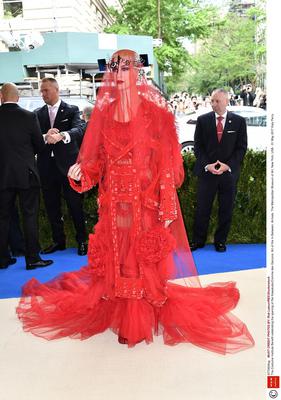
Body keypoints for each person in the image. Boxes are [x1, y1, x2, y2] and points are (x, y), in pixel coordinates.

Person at [17, 51, 254, 354]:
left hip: (144, 201)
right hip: (113, 201)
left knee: (140, 258)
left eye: (126, 68)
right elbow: (96, 161)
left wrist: (167, 205)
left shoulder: (156, 114)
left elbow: (166, 165)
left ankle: (141, 315)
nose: (120, 74)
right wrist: (81, 171)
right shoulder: (103, 115)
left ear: (137, 73)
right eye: (115, 68)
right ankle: (122, 310)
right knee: (119, 256)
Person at [0, 83, 53, 270]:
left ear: (1, 97)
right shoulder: (29, 116)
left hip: (2, 177)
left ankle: (3, 259)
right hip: (27, 174)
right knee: (29, 216)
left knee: (3, 217)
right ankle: (32, 259)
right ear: (18, 97)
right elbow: (39, 146)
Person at [191, 88, 247, 252]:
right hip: (207, 173)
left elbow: (241, 148)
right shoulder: (203, 120)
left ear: (226, 101)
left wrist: (227, 166)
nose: (213, 104)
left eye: (217, 101)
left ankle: (220, 241)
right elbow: (198, 147)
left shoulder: (239, 122)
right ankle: (198, 240)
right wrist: (207, 165)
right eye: (212, 101)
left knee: (226, 209)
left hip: (228, 175)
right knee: (202, 208)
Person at [35, 78, 87, 256]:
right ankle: (59, 241)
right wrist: (44, 136)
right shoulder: (37, 113)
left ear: (56, 89)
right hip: (46, 167)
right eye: (41, 91)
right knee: (51, 206)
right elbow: (33, 139)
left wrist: (62, 135)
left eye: (46, 90)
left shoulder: (71, 110)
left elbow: (80, 130)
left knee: (75, 205)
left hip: (68, 167)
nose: (43, 94)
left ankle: (82, 240)